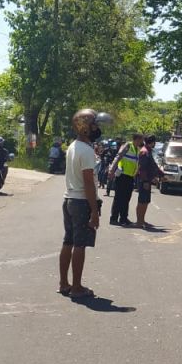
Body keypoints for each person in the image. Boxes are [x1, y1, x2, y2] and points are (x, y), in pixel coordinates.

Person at [59, 108, 103, 299]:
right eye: (94, 125)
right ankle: (76, 287)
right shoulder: (86, 151)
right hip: (80, 202)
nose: (97, 129)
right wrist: (94, 210)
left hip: (69, 199)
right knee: (79, 244)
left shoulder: (73, 146)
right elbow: (88, 183)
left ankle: (64, 283)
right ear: (86, 128)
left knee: (68, 241)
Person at [109, 133, 142, 226]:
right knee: (118, 198)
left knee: (126, 198)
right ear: (136, 139)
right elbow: (118, 157)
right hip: (122, 175)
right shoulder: (128, 146)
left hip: (130, 177)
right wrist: (112, 170)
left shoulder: (137, 149)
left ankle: (123, 218)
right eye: (140, 140)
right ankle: (114, 218)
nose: (141, 142)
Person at [134, 134, 163, 228]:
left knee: (145, 201)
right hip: (144, 181)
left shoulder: (148, 151)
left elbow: (153, 166)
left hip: (147, 180)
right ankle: (139, 222)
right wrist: (146, 181)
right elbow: (142, 168)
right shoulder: (144, 152)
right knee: (142, 201)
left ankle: (142, 220)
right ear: (152, 142)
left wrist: (161, 175)